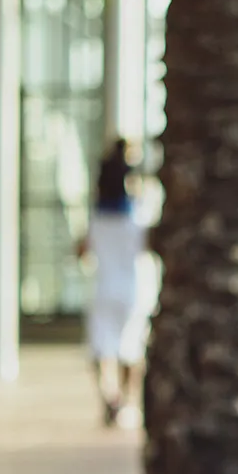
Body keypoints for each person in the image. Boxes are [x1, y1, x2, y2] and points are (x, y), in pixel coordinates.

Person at [79, 138, 147, 426]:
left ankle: (108, 398)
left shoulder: (97, 217)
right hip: (131, 290)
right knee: (130, 348)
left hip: (103, 288)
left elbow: (82, 250)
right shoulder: (137, 214)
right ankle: (127, 402)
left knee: (101, 348)